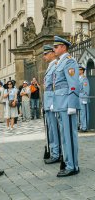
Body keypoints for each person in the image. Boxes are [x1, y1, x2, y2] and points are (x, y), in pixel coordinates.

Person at [52, 36, 80, 177]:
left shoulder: (69, 61)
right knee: (65, 136)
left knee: (69, 136)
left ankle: (73, 166)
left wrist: (72, 104)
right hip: (60, 104)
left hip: (67, 104)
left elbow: (73, 84)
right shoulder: (59, 63)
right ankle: (69, 162)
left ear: (63, 47)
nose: (54, 49)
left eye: (56, 47)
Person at [42, 45, 60, 164]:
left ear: (53, 53)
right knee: (51, 128)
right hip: (48, 102)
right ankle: (54, 151)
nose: (44, 56)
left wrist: (53, 102)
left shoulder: (55, 66)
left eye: (46, 54)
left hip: (52, 102)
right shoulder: (50, 66)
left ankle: (56, 153)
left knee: (54, 129)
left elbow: (55, 86)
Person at [78, 66, 90, 132]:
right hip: (78, 97)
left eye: (79, 70)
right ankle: (81, 126)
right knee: (80, 113)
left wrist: (85, 98)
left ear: (82, 71)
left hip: (83, 97)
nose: (78, 71)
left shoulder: (84, 79)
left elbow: (86, 89)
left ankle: (84, 127)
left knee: (83, 113)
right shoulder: (78, 78)